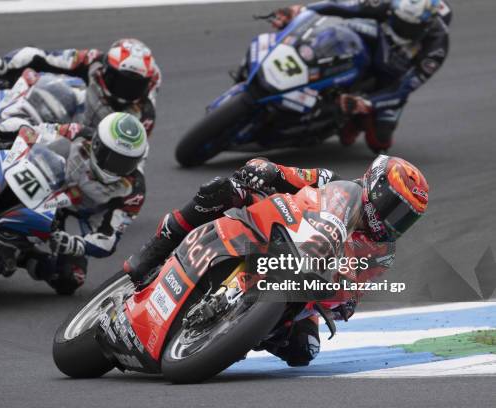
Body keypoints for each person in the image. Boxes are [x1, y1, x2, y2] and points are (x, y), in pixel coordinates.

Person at [124, 155, 429, 366]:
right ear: (376, 186)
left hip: (309, 282)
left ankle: (239, 330)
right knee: (224, 188)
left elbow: (354, 292)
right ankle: (159, 245)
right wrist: (267, 171)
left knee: (304, 351)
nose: (394, 222)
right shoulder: (332, 182)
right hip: (272, 230)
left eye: (406, 219)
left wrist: (345, 301)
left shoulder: (381, 253)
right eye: (394, 208)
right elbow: (286, 173)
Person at [0, 112, 148, 295]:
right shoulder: (79, 133)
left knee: (71, 278)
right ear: (97, 144)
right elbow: (32, 130)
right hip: (47, 182)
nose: (114, 167)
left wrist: (76, 244)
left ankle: (24, 256)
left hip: (77, 216)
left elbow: (109, 239)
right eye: (111, 157)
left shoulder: (132, 190)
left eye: (125, 163)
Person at [266, 0, 452, 152]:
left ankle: (353, 120)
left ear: (427, 25)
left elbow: (403, 89)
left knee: (379, 142)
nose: (401, 28)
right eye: (398, 20)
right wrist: (301, 11)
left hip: (389, 82)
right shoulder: (387, 7)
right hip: (372, 49)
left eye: (409, 27)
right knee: (338, 32)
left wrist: (368, 102)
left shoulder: (436, 49)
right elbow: (341, 7)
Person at [0, 38, 161, 137]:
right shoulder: (93, 60)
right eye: (120, 81)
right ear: (106, 69)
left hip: (92, 136)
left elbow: (136, 155)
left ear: (147, 83)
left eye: (134, 85)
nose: (124, 91)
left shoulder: (145, 112)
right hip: (79, 107)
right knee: (60, 91)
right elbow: (39, 56)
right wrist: (0, 64)